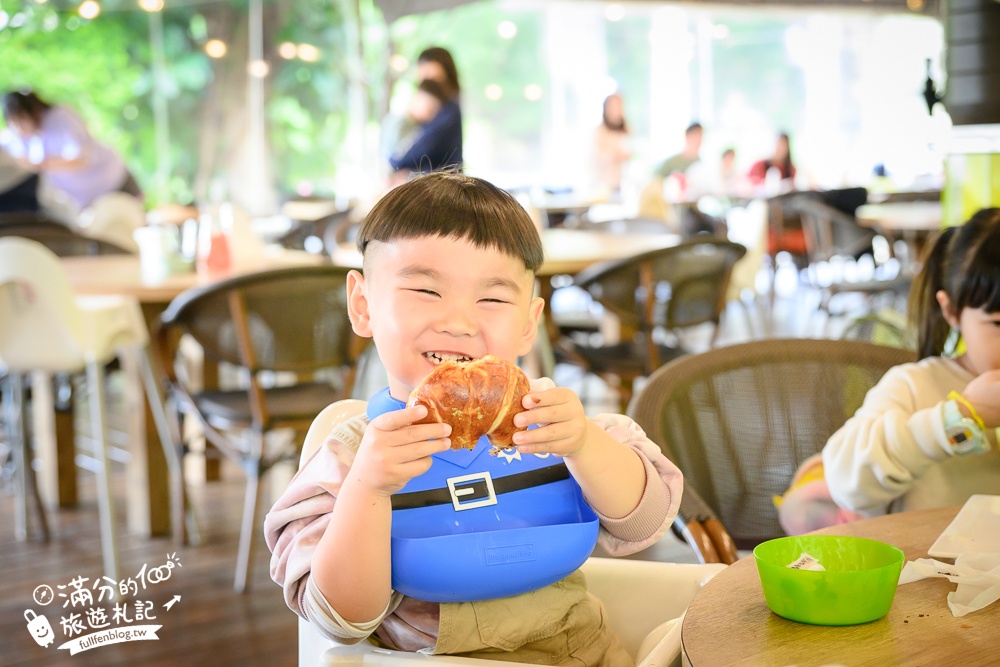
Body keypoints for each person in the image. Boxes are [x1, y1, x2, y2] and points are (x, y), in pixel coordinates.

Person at [265, 172, 683, 666]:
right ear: (363, 306)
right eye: (424, 290)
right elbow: (340, 619)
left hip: (581, 651)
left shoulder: (555, 424)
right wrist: (369, 490)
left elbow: (647, 523)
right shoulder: (347, 457)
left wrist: (585, 445)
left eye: (492, 298)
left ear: (529, 323)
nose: (459, 322)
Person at [777, 209, 1000, 534]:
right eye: (998, 323)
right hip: (923, 576)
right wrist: (958, 420)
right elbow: (845, 481)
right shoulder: (914, 387)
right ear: (951, 310)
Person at [2, 90, 143, 211]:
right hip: (88, 199)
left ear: (33, 111)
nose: (18, 128)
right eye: (13, 123)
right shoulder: (24, 140)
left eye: (20, 120)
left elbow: (81, 159)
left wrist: (38, 164)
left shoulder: (60, 117)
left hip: (114, 180)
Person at [388, 47, 463, 181]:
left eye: (427, 71)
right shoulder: (441, 111)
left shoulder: (449, 110)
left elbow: (424, 146)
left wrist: (396, 162)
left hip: (444, 187)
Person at [591, 93, 631, 196]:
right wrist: (614, 155)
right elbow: (596, 158)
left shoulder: (624, 132)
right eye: (613, 107)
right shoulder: (599, 132)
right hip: (603, 187)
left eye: (618, 107)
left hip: (621, 185)